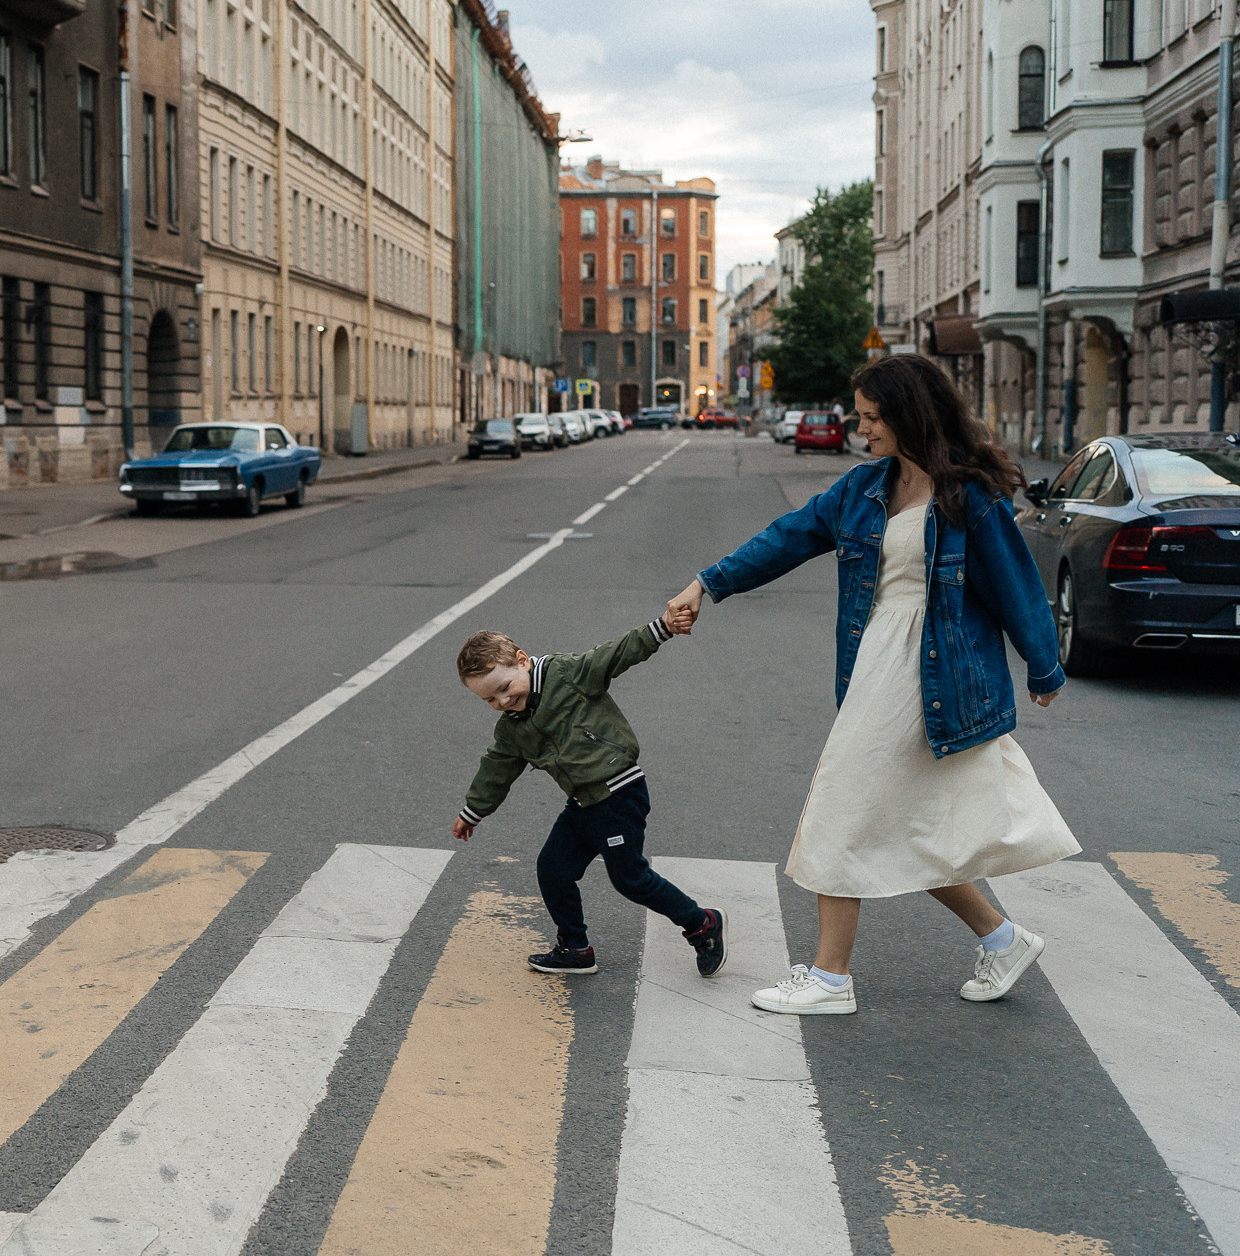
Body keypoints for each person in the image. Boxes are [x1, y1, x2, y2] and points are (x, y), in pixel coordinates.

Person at [666, 354, 1075, 1017]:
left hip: (933, 671)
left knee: (842, 804)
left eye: (872, 416)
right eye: (860, 416)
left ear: (910, 415)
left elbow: (1015, 583)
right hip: (878, 664)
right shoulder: (862, 489)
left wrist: (1044, 667)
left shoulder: (966, 494)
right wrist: (707, 583)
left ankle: (830, 977)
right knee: (906, 824)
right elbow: (786, 537)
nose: (862, 428)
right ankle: (1002, 938)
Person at [451, 615, 727, 979]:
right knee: (553, 869)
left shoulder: (565, 674)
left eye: (504, 687)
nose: (502, 701)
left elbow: (615, 654)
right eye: (489, 699)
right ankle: (575, 949)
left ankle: (701, 924)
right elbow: (497, 768)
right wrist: (473, 811)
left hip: (618, 793)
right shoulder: (513, 727)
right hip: (582, 803)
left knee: (630, 879)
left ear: (521, 660)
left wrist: (663, 627)